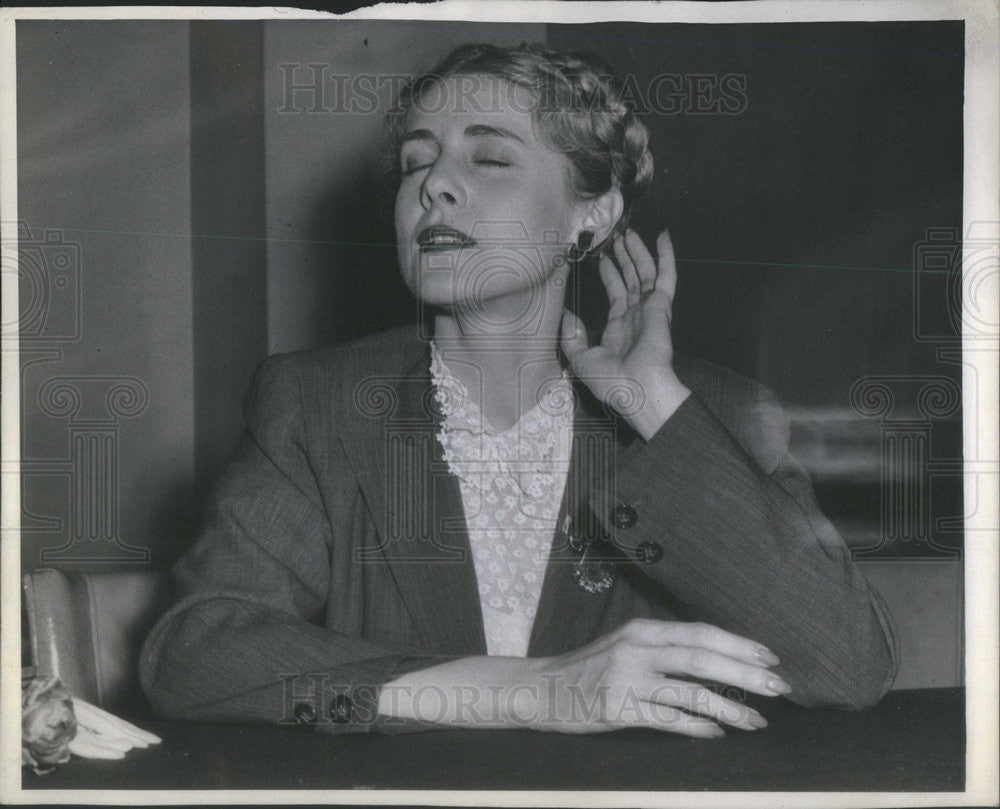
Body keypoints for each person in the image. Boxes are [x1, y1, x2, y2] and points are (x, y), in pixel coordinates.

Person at [140, 42, 897, 737]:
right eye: (415, 162)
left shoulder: (712, 415)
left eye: (490, 159)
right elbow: (194, 653)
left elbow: (849, 668)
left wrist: (653, 408)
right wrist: (530, 689)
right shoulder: (317, 406)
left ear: (591, 215)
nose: (434, 185)